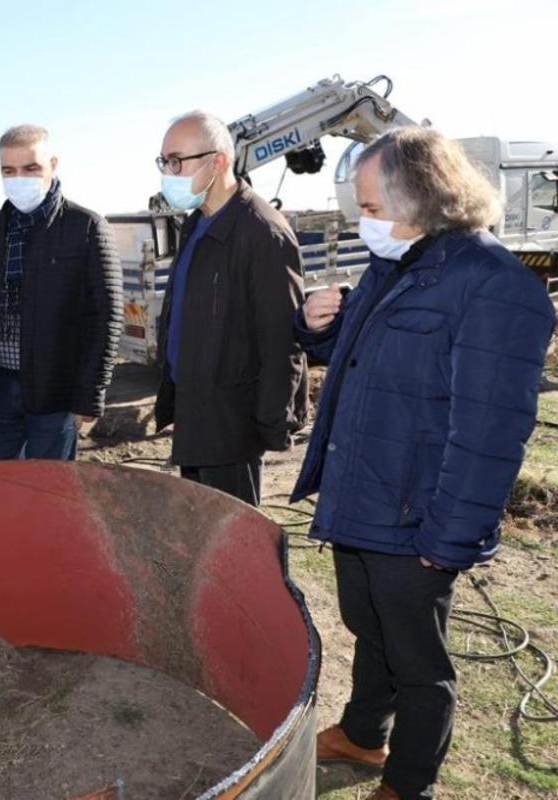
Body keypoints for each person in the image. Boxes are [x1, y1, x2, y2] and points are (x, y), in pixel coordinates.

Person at [292, 127, 556, 800]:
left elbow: (491, 432)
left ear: (425, 197)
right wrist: (319, 327)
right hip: (363, 497)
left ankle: (409, 784)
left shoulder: (493, 285)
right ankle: (362, 733)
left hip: (417, 515)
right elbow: (363, 362)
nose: (364, 224)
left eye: (372, 209)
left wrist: (452, 537)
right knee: (368, 625)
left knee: (418, 660)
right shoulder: (396, 266)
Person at [153, 111, 307, 505]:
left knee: (234, 545)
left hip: (231, 426)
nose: (168, 172)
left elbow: (282, 341)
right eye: (163, 161)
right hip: (195, 410)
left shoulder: (262, 231)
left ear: (218, 161)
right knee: (201, 537)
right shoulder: (195, 224)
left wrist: (270, 424)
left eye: (176, 161)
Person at [0, 124, 122, 459]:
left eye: (30, 168)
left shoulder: (85, 227)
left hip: (55, 391)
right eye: (9, 170)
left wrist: (90, 395)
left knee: (49, 494)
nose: (19, 178)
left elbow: (105, 317)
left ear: (53, 165)